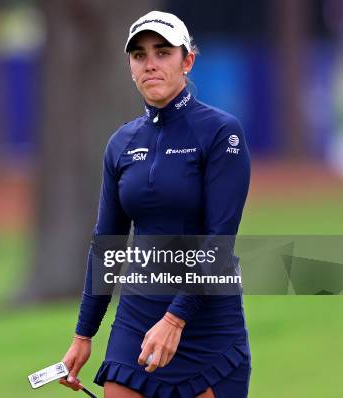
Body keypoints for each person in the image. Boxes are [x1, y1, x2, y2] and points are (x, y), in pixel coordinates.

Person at [58, 10, 252, 398]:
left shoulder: (220, 132)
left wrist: (176, 319)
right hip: (138, 319)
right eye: (139, 55)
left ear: (187, 61)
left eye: (163, 52)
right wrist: (84, 333)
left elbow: (219, 240)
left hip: (206, 324)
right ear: (130, 65)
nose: (150, 64)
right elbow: (106, 244)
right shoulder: (121, 143)